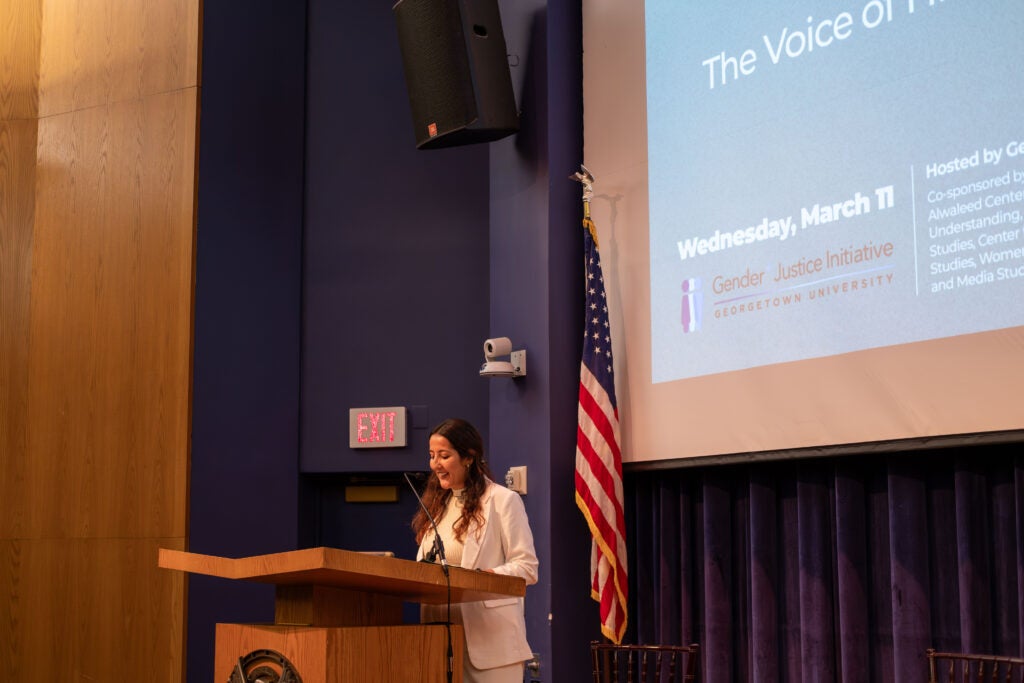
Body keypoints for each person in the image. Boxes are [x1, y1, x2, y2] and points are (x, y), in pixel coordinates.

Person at [412, 417, 539, 683]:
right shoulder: (435, 507)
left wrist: (483, 577)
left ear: (469, 457)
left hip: (491, 645)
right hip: (440, 642)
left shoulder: (503, 500)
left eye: (444, 456)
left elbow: (527, 568)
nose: (435, 464)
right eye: (432, 455)